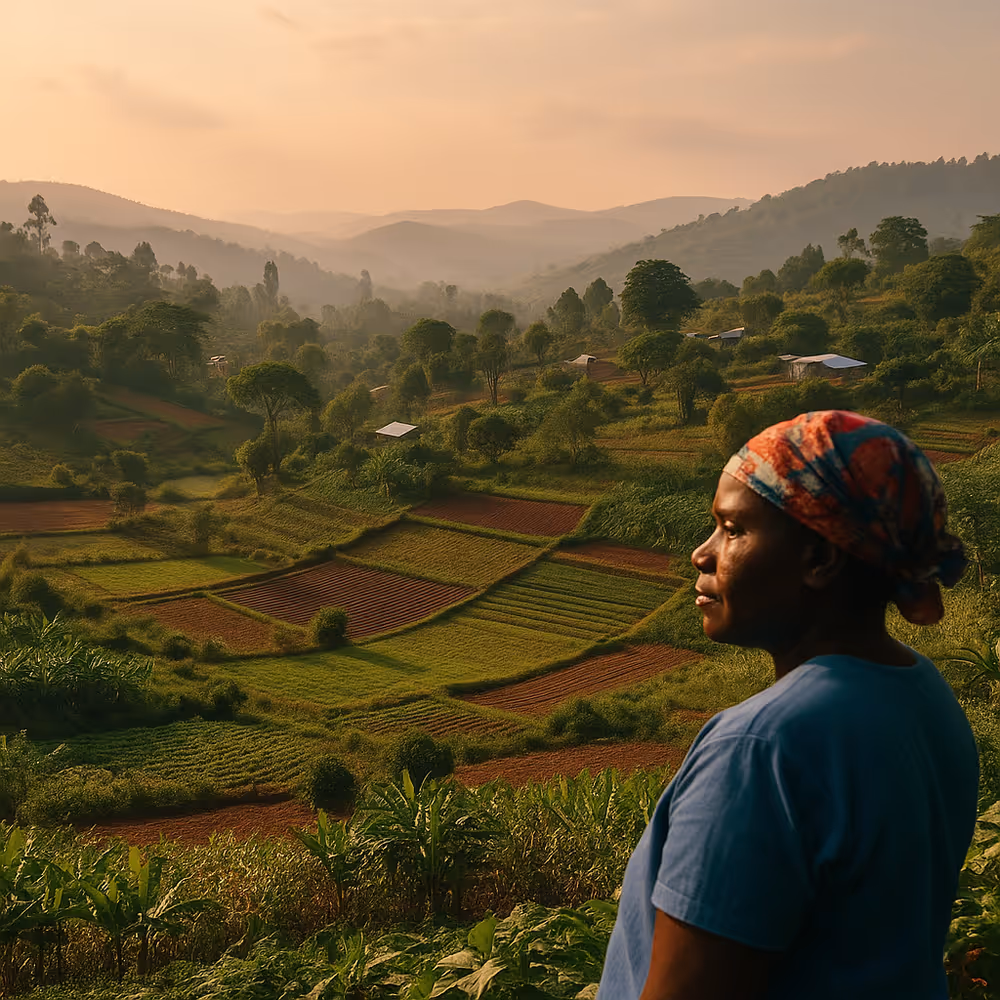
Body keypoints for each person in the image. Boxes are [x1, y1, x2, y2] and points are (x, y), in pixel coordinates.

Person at [597, 410, 980, 1000]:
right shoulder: (924, 695)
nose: (703, 554)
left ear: (820, 560)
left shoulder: (760, 749)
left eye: (732, 529)